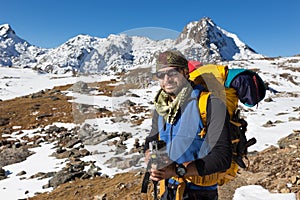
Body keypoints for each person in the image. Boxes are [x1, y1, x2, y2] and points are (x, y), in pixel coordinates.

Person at [144, 50, 232, 200]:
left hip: (200, 193)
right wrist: (150, 156)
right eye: (161, 75)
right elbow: (151, 139)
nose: (167, 79)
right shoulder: (161, 108)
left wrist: (177, 170)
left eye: (173, 73)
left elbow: (222, 157)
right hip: (167, 190)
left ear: (185, 73)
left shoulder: (210, 104)